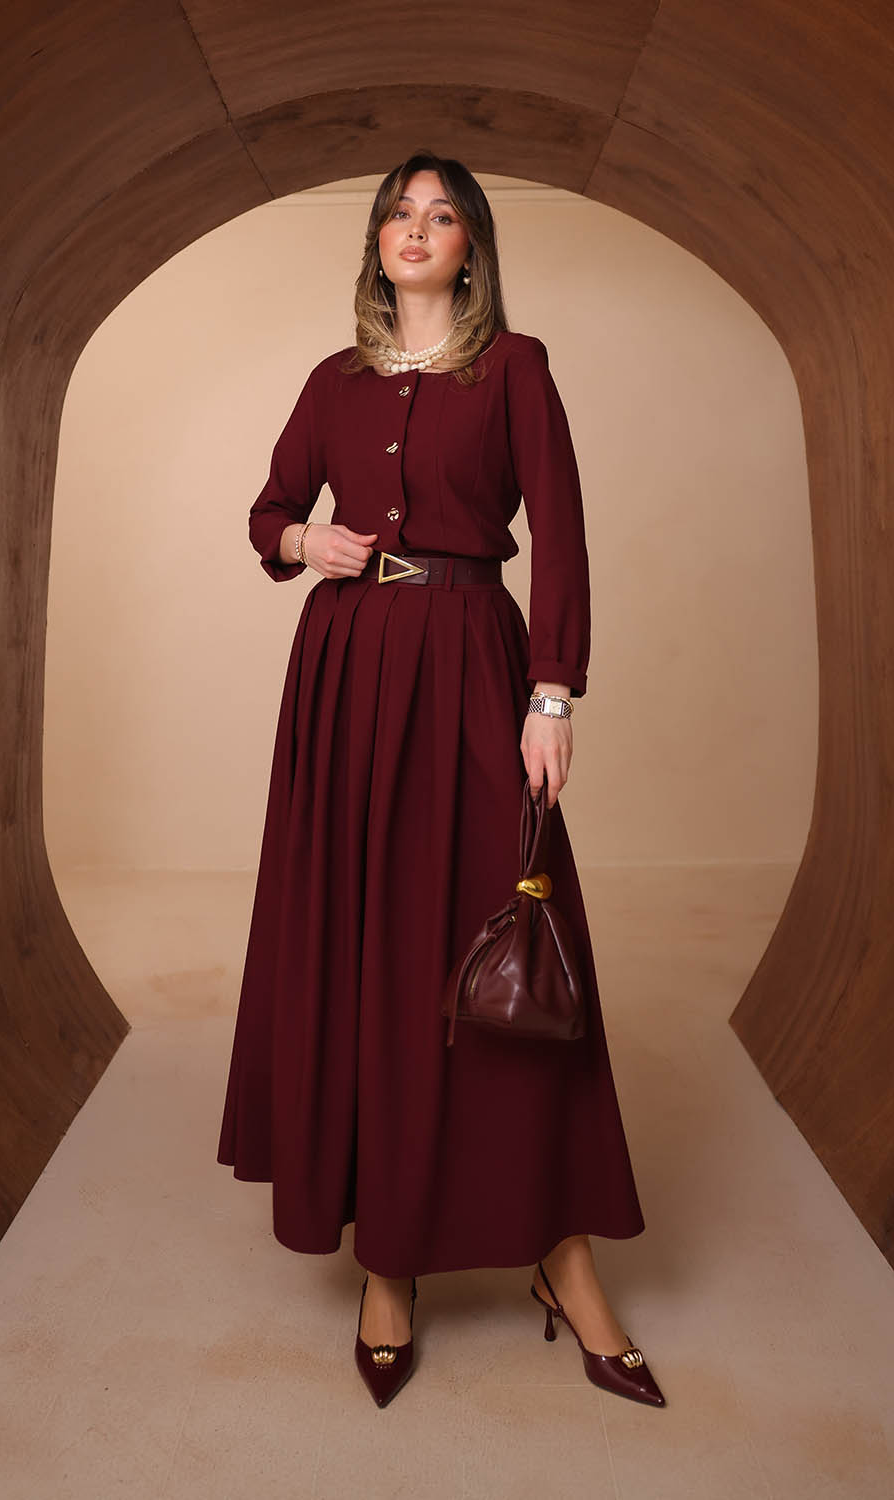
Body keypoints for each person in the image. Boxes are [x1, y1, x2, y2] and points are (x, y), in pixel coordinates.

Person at [216, 150, 665, 1410]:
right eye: (399, 214)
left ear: (472, 250)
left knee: (506, 947)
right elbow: (267, 514)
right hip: (348, 675)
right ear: (376, 241)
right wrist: (306, 539)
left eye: (443, 215)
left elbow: (561, 534)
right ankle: (389, 1263)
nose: (416, 229)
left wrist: (551, 691)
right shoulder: (333, 382)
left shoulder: (514, 369)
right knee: (369, 947)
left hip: (473, 664)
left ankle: (562, 1259)